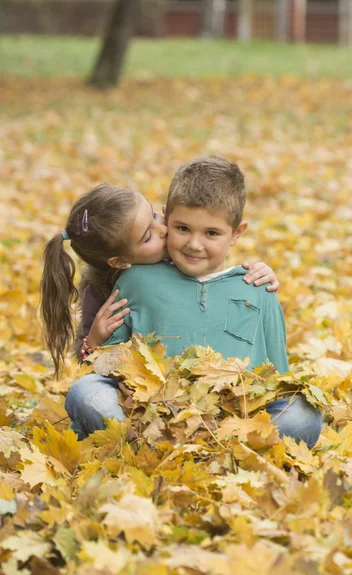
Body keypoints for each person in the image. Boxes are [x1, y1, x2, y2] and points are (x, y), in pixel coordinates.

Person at [65, 158, 322, 448]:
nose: (194, 244)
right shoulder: (136, 279)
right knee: (86, 392)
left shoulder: (258, 288)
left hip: (234, 422)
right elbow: (108, 366)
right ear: (166, 218)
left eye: (211, 233)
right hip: (151, 421)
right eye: (182, 228)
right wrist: (93, 344)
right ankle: (149, 449)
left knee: (302, 413)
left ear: (236, 234)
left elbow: (279, 379)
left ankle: (227, 452)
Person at [40, 183, 277, 378]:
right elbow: (91, 366)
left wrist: (258, 273)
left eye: (154, 216)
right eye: (147, 236)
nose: (163, 230)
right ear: (120, 262)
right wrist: (92, 341)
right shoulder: (103, 294)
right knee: (87, 394)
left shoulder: (181, 255)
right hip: (136, 386)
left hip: (202, 373)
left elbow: (216, 277)